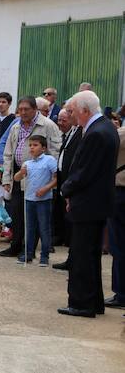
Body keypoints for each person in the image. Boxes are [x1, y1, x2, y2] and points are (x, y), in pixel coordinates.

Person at [58, 91, 118, 318]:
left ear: (84, 110)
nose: (71, 116)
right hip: (96, 203)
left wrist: (66, 190)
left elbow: (84, 172)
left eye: (73, 111)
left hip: (88, 203)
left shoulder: (96, 133)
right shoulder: (105, 128)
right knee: (91, 255)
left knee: (82, 255)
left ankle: (82, 303)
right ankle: (94, 302)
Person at [0, 97, 61, 258]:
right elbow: (8, 153)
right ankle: (16, 245)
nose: (23, 112)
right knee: (17, 212)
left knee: (33, 215)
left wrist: (49, 179)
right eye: (21, 109)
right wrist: (7, 178)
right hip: (19, 174)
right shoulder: (16, 126)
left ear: (35, 109)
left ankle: (29, 249)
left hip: (38, 177)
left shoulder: (47, 126)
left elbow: (55, 152)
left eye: (27, 109)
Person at [13, 135, 57, 266]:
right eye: (30, 145)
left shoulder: (49, 160)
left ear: (43, 148)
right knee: (29, 228)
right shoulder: (27, 163)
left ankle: (45, 256)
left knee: (44, 228)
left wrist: (46, 188)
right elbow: (16, 178)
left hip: (44, 200)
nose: (32, 147)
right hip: (29, 199)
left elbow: (56, 178)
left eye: (35, 145)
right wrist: (21, 173)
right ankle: (28, 254)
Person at [52, 109, 81, 252]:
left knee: (67, 207)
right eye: (59, 120)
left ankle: (68, 238)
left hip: (70, 176)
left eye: (64, 120)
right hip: (60, 176)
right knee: (59, 207)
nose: (60, 123)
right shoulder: (62, 134)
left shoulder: (79, 132)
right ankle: (60, 235)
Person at [105, 122, 125, 309]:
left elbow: (108, 140)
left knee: (118, 245)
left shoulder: (121, 134)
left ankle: (121, 293)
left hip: (121, 193)